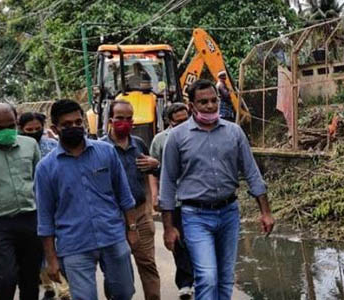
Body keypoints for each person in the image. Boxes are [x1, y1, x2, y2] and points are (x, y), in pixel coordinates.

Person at [159, 80, 275, 300]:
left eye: (214, 100)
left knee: (225, 277)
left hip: (228, 213)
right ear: (191, 105)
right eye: (203, 102)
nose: (210, 106)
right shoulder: (177, 137)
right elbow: (167, 183)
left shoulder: (234, 132)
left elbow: (252, 172)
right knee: (207, 276)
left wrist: (266, 212)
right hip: (195, 216)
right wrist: (169, 227)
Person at [35, 99, 137, 300]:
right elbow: (44, 217)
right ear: (55, 128)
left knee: (124, 293)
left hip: (113, 237)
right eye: (67, 125)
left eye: (78, 122)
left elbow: (124, 195)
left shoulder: (106, 152)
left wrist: (132, 228)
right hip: (74, 245)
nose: (74, 127)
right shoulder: (45, 168)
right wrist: (51, 258)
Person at [100, 100, 161, 300]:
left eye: (128, 118)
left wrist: (155, 165)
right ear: (110, 120)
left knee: (148, 265)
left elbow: (151, 171)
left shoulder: (139, 145)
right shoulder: (99, 149)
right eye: (119, 118)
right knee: (116, 272)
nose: (124, 123)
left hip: (140, 215)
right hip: (113, 219)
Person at [0, 103, 44, 300]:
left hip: (29, 219)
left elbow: (39, 182)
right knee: (5, 277)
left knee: (30, 278)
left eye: (10, 126)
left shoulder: (30, 145)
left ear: (17, 122)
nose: (6, 132)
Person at [18, 111, 71, 300]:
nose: (33, 132)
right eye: (29, 130)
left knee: (57, 247)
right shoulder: (18, 149)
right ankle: (48, 285)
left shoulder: (53, 146)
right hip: (31, 208)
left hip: (55, 205)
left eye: (37, 129)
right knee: (39, 250)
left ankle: (64, 290)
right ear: (21, 129)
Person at [148, 103, 193, 299]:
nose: (184, 124)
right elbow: (152, 172)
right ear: (169, 121)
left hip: (196, 198)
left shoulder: (198, 133)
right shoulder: (160, 141)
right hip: (174, 200)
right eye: (179, 121)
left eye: (186, 119)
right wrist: (155, 194)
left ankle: (201, 277)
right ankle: (184, 283)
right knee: (179, 241)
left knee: (196, 240)